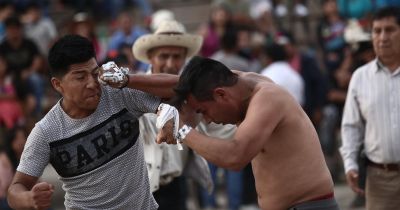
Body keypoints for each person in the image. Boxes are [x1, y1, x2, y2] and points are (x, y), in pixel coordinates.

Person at [6, 34, 178, 210]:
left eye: (95, 73)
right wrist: (28, 199)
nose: (92, 83)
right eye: (80, 77)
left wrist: (163, 110)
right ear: (57, 85)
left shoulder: (118, 92)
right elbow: (16, 188)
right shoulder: (47, 132)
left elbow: (180, 86)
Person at [162, 56, 339, 210]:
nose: (207, 119)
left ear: (221, 95)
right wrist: (133, 80)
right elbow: (171, 84)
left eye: (203, 111)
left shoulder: (268, 96)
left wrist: (182, 130)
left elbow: (235, 156)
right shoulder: (239, 84)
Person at [132, 20, 235, 210]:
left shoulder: (195, 96)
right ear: (150, 57)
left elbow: (223, 130)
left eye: (176, 57)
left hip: (176, 188)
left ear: (185, 58)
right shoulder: (133, 92)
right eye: (164, 56)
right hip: (137, 190)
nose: (170, 64)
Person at [339, 6, 400, 210]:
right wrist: (350, 164)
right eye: (377, 31)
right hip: (380, 180)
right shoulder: (360, 78)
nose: (383, 37)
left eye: (390, 30)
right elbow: (351, 126)